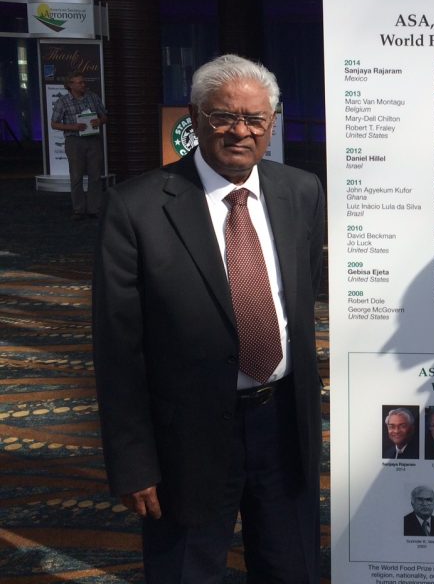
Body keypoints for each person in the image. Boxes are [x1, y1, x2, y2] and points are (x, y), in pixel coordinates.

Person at [92, 54, 325, 583]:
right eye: (223, 117)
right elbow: (117, 348)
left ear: (272, 124)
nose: (240, 131)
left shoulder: (301, 191)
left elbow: (301, 297)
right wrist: (132, 462)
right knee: (186, 572)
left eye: (255, 119)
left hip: (283, 424)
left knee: (293, 568)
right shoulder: (137, 208)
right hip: (186, 438)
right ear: (195, 119)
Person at [50, 72, 108, 219]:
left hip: (93, 139)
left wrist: (99, 122)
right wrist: (73, 127)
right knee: (76, 176)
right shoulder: (62, 102)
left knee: (95, 175)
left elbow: (104, 116)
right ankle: (79, 209)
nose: (83, 84)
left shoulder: (92, 97)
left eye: (83, 82)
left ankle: (94, 208)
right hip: (74, 141)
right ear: (70, 85)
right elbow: (54, 123)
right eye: (80, 82)